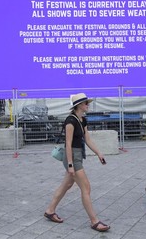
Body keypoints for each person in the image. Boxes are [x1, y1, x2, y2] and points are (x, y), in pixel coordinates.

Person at [44, 93, 110, 232]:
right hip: (72, 157)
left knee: (66, 185)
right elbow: (68, 144)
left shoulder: (82, 119)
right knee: (86, 188)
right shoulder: (70, 121)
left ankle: (50, 210)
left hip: (78, 155)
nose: (88, 105)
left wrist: (99, 153)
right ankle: (94, 221)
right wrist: (70, 165)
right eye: (86, 103)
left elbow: (88, 139)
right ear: (79, 105)